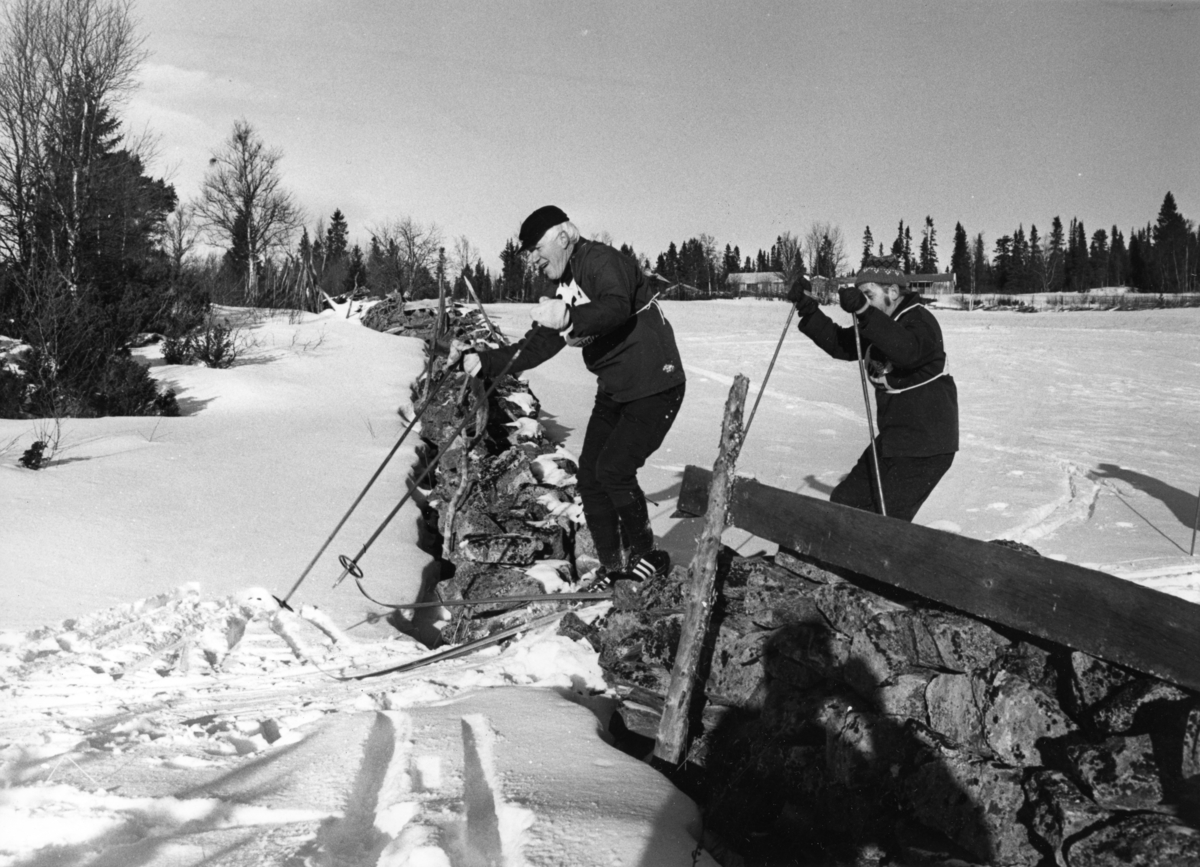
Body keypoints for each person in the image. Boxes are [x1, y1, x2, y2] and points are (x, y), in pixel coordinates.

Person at [455, 205, 686, 586]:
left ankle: (648, 559)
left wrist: (571, 317)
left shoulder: (601, 260)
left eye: (536, 247)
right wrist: (486, 360)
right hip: (615, 389)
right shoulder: (558, 284)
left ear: (563, 237)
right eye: (528, 252)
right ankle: (614, 569)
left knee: (614, 469)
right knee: (592, 479)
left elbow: (615, 305)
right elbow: (537, 345)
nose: (533, 258)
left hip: (654, 386)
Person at [787, 258, 958, 521]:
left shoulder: (920, 322)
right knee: (845, 502)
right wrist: (808, 310)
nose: (863, 303)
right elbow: (842, 344)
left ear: (892, 292)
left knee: (884, 522)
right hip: (893, 440)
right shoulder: (880, 321)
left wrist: (865, 311)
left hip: (926, 446)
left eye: (869, 295)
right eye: (861, 296)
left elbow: (906, 351)